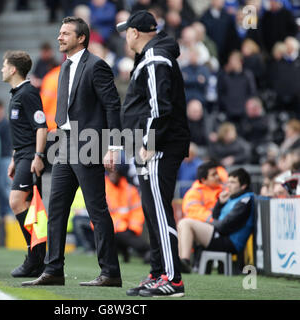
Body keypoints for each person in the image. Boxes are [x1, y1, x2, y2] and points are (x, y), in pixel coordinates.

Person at [22, 17, 122, 287]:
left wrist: (113, 147)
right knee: (56, 208)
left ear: (82, 38)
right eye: (59, 32)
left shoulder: (97, 66)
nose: (59, 37)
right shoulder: (64, 67)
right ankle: (53, 270)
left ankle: (110, 273)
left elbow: (112, 106)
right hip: (65, 143)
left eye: (65, 33)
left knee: (96, 210)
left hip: (89, 144)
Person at [117, 10, 190, 297]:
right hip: (153, 145)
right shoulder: (152, 56)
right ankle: (159, 273)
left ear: (135, 32)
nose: (125, 36)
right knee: (152, 213)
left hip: (159, 146)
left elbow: (160, 108)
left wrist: (149, 143)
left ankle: (173, 279)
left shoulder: (155, 58)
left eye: (127, 31)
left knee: (159, 212)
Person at [1, 50, 48, 278]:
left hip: (30, 154)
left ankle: (35, 257)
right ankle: (38, 258)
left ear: (12, 69)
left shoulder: (28, 93)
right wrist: (13, 158)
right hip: (21, 154)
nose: (1, 69)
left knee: (16, 201)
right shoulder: (16, 94)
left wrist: (38, 156)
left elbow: (41, 127)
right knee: (26, 205)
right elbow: (21, 130)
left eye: (4, 65)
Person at [178, 168, 255, 273]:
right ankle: (179, 261)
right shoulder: (232, 197)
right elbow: (216, 217)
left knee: (186, 223)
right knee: (183, 224)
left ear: (243, 185)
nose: (228, 185)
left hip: (230, 242)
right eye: (228, 182)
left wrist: (209, 223)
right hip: (221, 235)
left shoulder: (245, 200)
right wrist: (220, 203)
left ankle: (185, 261)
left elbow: (224, 226)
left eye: (233, 182)